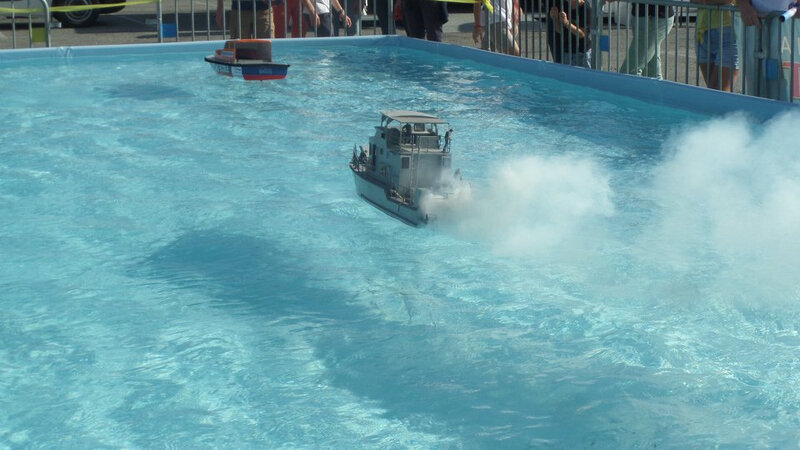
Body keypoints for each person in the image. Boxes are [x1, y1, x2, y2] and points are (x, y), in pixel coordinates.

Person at [607, 0, 674, 79]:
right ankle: (655, 89)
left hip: (658, 17)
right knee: (651, 69)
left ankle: (629, 88)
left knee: (630, 71)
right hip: (642, 16)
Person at [695, 0, 739, 91]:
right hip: (702, 32)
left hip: (728, 32)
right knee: (714, 92)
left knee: (717, 93)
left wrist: (704, 2)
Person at [546, 0, 592, 68]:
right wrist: (555, 18)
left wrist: (567, 23)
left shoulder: (585, 8)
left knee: (584, 77)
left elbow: (582, 34)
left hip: (581, 52)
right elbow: (560, 31)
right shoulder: (564, 6)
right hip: (567, 52)